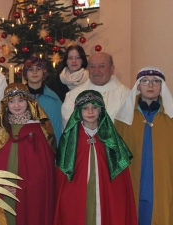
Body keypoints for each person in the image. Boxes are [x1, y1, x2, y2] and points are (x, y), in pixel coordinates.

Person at [54, 90, 137, 225]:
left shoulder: (110, 137)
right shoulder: (70, 139)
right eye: (85, 108)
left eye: (95, 108)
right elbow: (63, 175)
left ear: (101, 110)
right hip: (77, 194)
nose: (90, 112)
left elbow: (120, 176)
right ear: (78, 111)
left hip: (106, 193)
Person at [0, 83, 56, 225]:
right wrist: (0, 186)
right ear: (6, 105)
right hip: (3, 191)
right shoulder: (1, 130)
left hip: (30, 193)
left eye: (21, 100)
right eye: (11, 101)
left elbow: (43, 170)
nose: (16, 105)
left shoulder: (38, 131)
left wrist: (24, 188)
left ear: (29, 102)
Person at [115, 67, 173, 225]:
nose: (150, 85)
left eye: (156, 81)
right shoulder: (123, 118)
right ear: (138, 86)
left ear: (161, 87)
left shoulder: (170, 118)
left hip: (163, 181)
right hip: (132, 179)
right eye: (145, 81)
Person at [61, 52, 129, 128]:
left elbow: (126, 128)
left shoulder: (125, 95)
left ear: (112, 69)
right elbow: (70, 124)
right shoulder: (73, 95)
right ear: (88, 69)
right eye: (92, 67)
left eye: (102, 66)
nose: (96, 71)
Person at [23, 56, 63, 144]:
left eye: (38, 69)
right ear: (26, 73)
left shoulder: (54, 99)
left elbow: (58, 128)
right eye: (30, 69)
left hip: (47, 149)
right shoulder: (18, 98)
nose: (34, 72)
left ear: (44, 72)